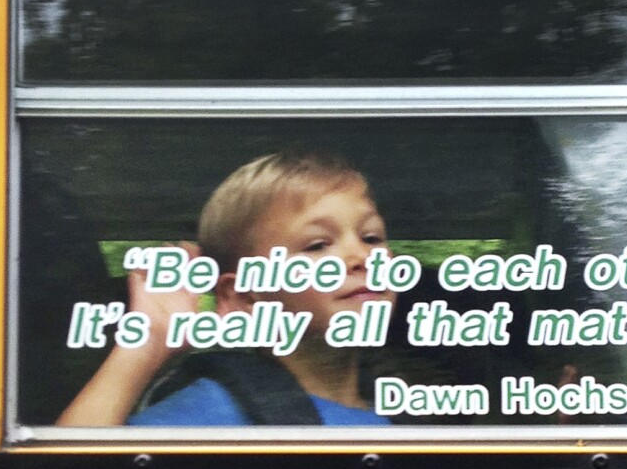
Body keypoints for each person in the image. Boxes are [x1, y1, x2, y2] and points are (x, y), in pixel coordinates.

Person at [56, 151, 397, 426]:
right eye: (317, 245)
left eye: (372, 238)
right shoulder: (216, 410)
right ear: (246, 297)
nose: (361, 256)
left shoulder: (403, 404)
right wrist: (146, 345)